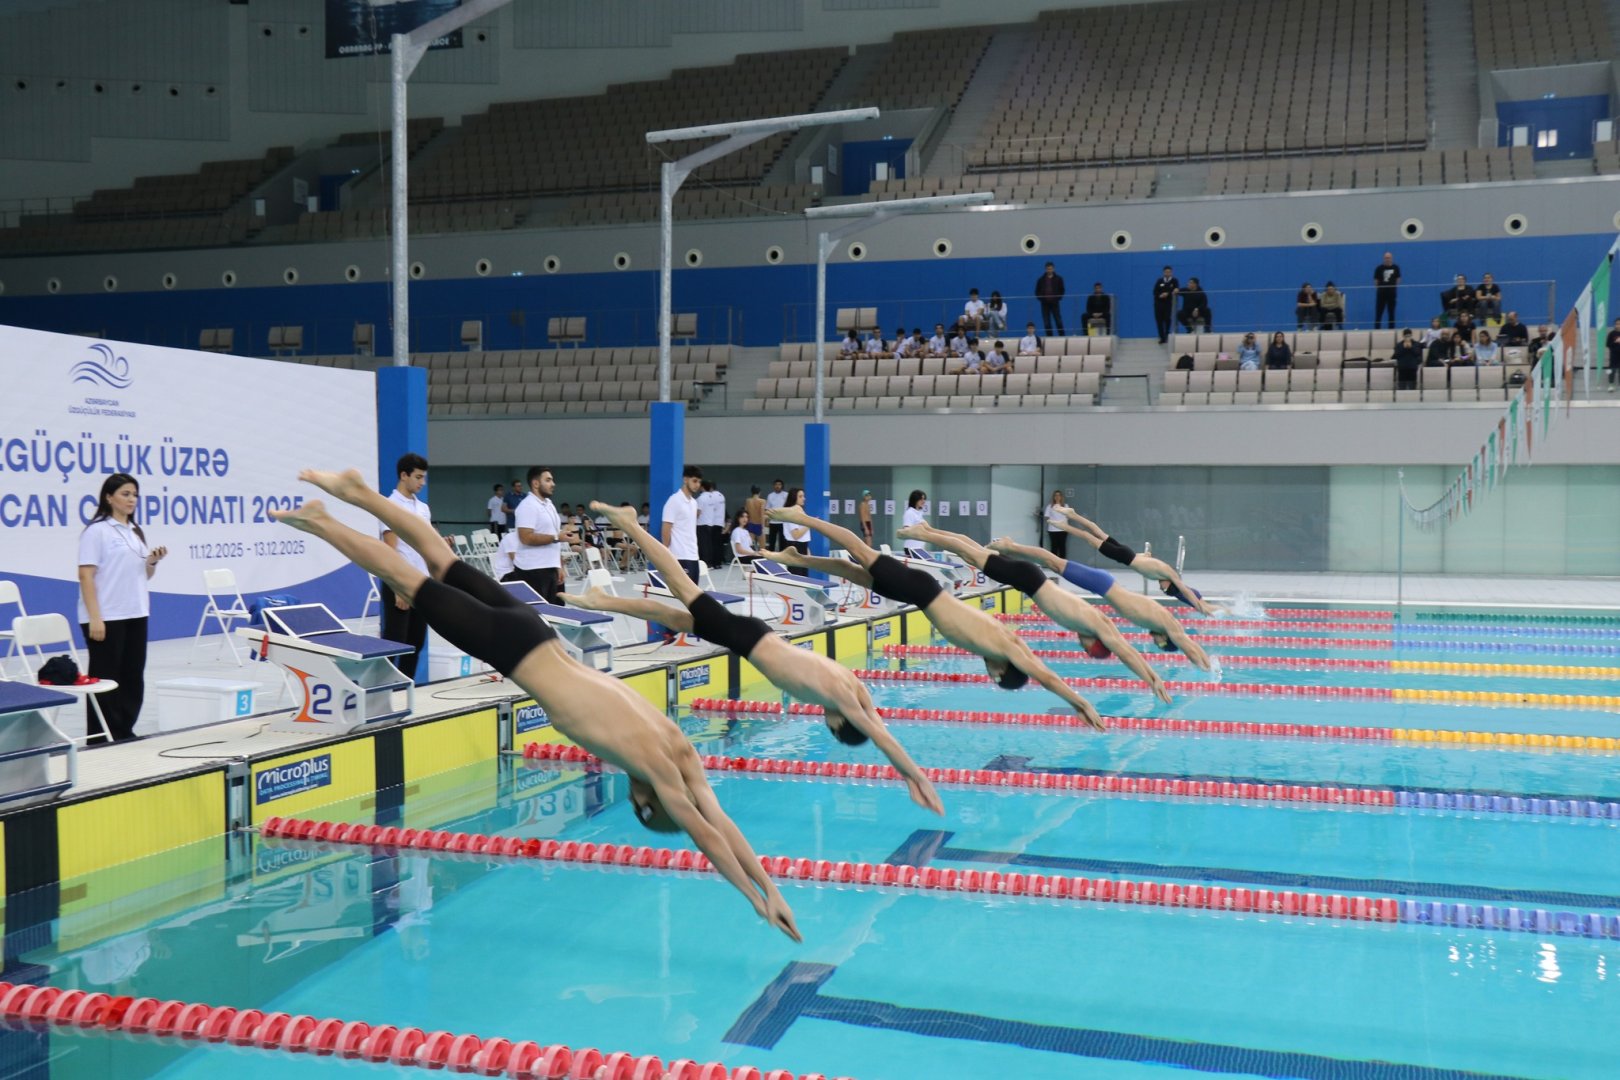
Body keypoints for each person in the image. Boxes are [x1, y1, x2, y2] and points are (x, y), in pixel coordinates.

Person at [270, 470, 800, 941]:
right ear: (647, 803)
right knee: (409, 578)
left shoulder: (679, 749)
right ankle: (323, 522)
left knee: (441, 558)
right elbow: (706, 832)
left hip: (538, 631)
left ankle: (358, 493)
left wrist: (770, 887)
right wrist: (755, 899)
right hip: (515, 650)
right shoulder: (654, 769)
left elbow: (721, 820)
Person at [574, 502, 943, 814]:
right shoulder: (839, 697)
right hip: (748, 639)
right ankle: (630, 524)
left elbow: (874, 719)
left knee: (676, 618)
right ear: (837, 725)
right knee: (680, 585)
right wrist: (915, 777)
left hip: (756, 636)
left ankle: (603, 602)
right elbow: (879, 734)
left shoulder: (851, 685)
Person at [763, 505, 1105, 730]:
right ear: (1003, 670)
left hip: (917, 595)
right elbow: (1047, 677)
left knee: (852, 572)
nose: (989, 675)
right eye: (996, 677)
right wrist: (1081, 703)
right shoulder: (1006, 647)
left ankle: (797, 558)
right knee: (860, 551)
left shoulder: (998, 644)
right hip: (922, 590)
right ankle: (802, 517)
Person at [897, 522, 1171, 705]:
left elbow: (1125, 649)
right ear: (1095, 643)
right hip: (1030, 580)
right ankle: (924, 535)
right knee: (972, 553)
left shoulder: (1089, 621)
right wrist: (1152, 678)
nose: (1082, 647)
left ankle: (929, 529)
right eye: (1088, 650)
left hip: (1029, 580)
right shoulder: (1098, 626)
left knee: (974, 554)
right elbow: (1126, 651)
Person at [988, 535, 1213, 669]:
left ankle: (1010, 550)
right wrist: (1206, 666)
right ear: (1166, 639)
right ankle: (1010, 546)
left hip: (1104, 587)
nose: (1155, 643)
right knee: (1054, 563)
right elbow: (1188, 646)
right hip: (1103, 585)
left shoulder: (1158, 623)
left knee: (1054, 563)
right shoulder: (1168, 624)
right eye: (1160, 644)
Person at [76, 472, 165, 743]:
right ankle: (100, 737)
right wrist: (95, 618)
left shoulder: (134, 532)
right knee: (105, 678)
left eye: (135, 495)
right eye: (126, 494)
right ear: (109, 497)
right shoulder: (97, 531)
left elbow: (143, 575)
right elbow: (85, 575)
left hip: (136, 612)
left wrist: (151, 562)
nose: (132, 500)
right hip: (106, 615)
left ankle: (124, 730)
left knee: (132, 676)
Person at [1052, 509, 1223, 618]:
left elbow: (1146, 558)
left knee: (1098, 532)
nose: (1161, 588)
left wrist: (1207, 606)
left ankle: (1073, 514)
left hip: (1127, 554)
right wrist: (1199, 604)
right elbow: (1185, 589)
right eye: (1165, 588)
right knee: (1090, 538)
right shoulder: (1169, 573)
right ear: (1170, 581)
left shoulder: (1160, 572)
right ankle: (1064, 525)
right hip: (1124, 556)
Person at [378, 453, 436, 677]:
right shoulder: (389, 505)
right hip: (400, 584)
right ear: (404, 476)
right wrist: (397, 587)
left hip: (422, 583)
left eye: (424, 478)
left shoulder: (423, 509)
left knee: (416, 643)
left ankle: (405, 690)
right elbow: (390, 550)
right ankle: (383, 690)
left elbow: (425, 545)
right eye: (418, 477)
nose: (422, 483)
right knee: (394, 643)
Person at [513, 465, 570, 604]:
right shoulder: (527, 506)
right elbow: (525, 537)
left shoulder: (549, 504)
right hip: (533, 571)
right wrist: (556, 537)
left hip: (550, 568)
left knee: (557, 612)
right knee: (538, 616)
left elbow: (554, 536)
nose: (553, 484)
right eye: (548, 480)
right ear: (536, 483)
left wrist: (558, 565)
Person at [662, 465, 703, 582]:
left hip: (693, 555)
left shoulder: (694, 503)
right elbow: (666, 530)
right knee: (683, 596)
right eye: (694, 481)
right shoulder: (674, 501)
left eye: (699, 482)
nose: (697, 485)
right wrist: (667, 554)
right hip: (679, 556)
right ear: (685, 480)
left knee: (694, 595)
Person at [697, 479, 726, 568]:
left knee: (704, 544)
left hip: (705, 523)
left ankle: (707, 562)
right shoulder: (720, 496)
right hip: (715, 522)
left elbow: (698, 511)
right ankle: (716, 562)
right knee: (713, 544)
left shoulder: (703, 497)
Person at [1035, 262, 1066, 335]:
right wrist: (1041, 299)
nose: (1049, 270)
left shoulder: (1059, 279)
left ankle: (1062, 336)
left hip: (1055, 303)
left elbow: (1062, 290)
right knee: (1047, 322)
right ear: (1045, 269)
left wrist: (1058, 298)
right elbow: (1037, 291)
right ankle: (1049, 337)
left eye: (1051, 269)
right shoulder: (1041, 280)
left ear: (1053, 269)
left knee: (1058, 321)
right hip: (1045, 304)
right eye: (1048, 269)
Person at [1373, 252, 1401, 329]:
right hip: (1381, 294)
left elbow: (1398, 279)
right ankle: (1377, 329)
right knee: (1379, 312)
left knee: (1391, 312)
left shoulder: (1396, 268)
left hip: (1392, 294)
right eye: (1386, 258)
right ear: (1383, 258)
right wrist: (1380, 288)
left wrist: (1393, 287)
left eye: (1389, 257)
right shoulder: (1379, 268)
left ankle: (1391, 329)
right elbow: (1376, 280)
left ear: (1391, 258)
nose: (1387, 259)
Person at [778, 487, 810, 553]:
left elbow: (803, 537)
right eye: (800, 496)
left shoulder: (799, 511)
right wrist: (810, 524)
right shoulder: (792, 513)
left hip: (801, 546)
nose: (804, 498)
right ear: (794, 498)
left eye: (803, 496)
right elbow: (796, 535)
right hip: (795, 546)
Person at [1153, 266, 1179, 343]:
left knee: (1167, 318)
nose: (1167, 273)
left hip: (1168, 303)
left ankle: (1167, 333)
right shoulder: (1159, 280)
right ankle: (1162, 337)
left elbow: (1176, 290)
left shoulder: (1174, 281)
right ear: (1163, 272)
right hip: (1158, 303)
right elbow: (1155, 291)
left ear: (1171, 272)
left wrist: (1168, 293)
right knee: (1159, 320)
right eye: (1166, 272)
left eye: (1169, 272)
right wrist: (1160, 295)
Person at [1043, 489, 1069, 558]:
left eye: (1059, 495)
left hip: (1063, 529)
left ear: (1061, 497)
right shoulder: (1050, 506)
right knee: (1054, 547)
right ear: (1054, 497)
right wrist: (1053, 521)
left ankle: (1062, 564)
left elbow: (1068, 516)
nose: (1057, 497)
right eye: (1056, 495)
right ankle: (1054, 564)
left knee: (1062, 547)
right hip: (1052, 530)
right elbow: (1046, 517)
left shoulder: (1065, 506)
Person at [764, 479, 788, 552]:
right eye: (776, 484)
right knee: (772, 541)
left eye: (779, 484)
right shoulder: (770, 496)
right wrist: (766, 520)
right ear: (774, 486)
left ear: (782, 486)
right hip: (773, 522)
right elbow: (767, 509)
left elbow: (789, 507)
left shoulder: (786, 495)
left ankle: (782, 558)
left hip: (783, 522)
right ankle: (771, 558)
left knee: (783, 542)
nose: (778, 486)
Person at [1606, 317, 1620, 392]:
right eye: (1617, 324)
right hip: (1614, 356)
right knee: (1612, 370)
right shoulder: (1611, 334)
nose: (1618, 325)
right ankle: (1611, 385)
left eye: (1619, 324)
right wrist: (1616, 341)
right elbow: (1608, 344)